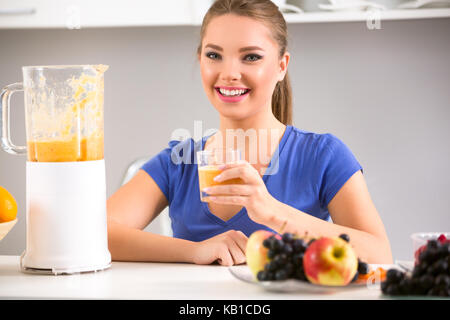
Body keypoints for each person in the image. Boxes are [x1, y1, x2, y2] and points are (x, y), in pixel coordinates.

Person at [107, 0, 393, 266]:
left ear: (282, 66)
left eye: (251, 57)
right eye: (214, 55)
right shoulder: (178, 161)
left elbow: (379, 254)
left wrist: (272, 212)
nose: (229, 72)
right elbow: (96, 233)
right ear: (200, 60)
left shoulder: (323, 156)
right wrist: (194, 251)